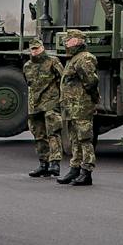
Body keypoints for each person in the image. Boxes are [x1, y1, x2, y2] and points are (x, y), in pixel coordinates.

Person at [56, 30, 98, 186]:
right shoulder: (73, 59)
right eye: (67, 40)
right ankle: (75, 168)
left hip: (81, 105)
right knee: (74, 138)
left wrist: (90, 99)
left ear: (80, 41)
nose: (67, 43)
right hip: (71, 105)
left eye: (71, 40)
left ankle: (86, 171)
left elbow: (91, 81)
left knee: (84, 137)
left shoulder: (85, 58)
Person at [21, 37, 63, 178]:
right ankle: (43, 163)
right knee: (38, 134)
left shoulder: (53, 61)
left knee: (53, 131)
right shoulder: (27, 66)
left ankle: (55, 162)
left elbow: (62, 80)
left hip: (51, 102)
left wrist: (62, 100)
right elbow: (30, 84)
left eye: (37, 48)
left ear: (43, 48)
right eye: (32, 49)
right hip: (35, 104)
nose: (35, 52)